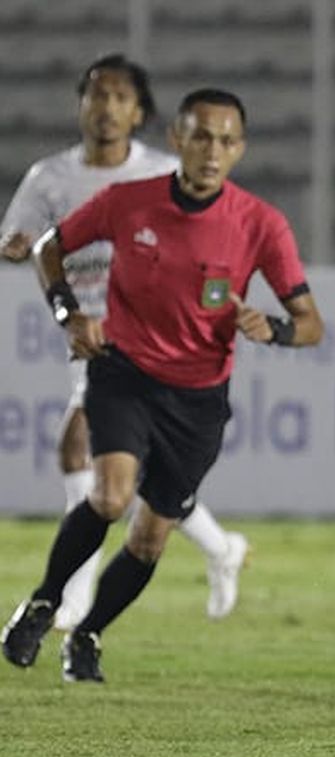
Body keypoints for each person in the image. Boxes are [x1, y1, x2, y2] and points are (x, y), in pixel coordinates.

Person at [1, 88, 324, 682]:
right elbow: (51, 248)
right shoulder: (129, 202)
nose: (212, 151)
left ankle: (89, 634)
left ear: (240, 149)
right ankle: (44, 602)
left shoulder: (259, 224)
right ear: (176, 139)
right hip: (123, 372)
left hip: (199, 399)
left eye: (226, 140)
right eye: (200, 136)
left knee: (150, 538)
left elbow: (312, 326)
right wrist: (68, 314)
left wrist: (271, 327)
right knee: (110, 496)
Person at [0, 54, 249, 626]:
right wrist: (18, 246)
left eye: (118, 96)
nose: (105, 106)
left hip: (142, 334)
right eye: (95, 94)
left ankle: (73, 595)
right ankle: (219, 547)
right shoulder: (50, 177)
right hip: (83, 330)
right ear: (80, 104)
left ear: (139, 111)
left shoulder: (159, 174)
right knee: (133, 471)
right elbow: (31, 240)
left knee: (82, 451)